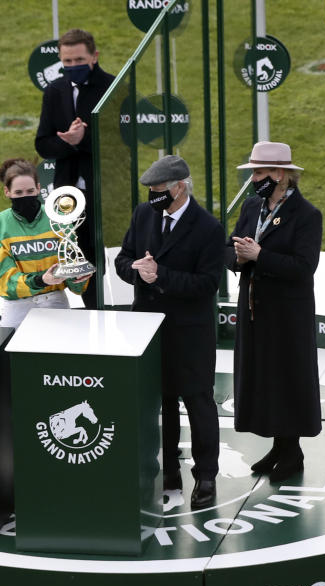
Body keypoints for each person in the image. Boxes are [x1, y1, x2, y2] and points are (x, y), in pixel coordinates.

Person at [114, 155, 224, 509]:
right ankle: (170, 469)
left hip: (189, 333)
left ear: (179, 187)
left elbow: (207, 284)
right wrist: (137, 271)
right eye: (150, 190)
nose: (153, 196)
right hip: (149, 327)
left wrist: (159, 275)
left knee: (198, 402)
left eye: (158, 190)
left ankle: (206, 476)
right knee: (161, 401)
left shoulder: (208, 227)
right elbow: (122, 259)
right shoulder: (143, 214)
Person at [225, 142, 322, 482]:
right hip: (254, 310)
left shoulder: (307, 215)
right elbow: (230, 247)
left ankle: (292, 451)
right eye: (253, 173)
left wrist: (259, 255)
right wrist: (237, 258)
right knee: (264, 378)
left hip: (287, 315)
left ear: (281, 175)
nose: (254, 179)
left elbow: (303, 267)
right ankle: (280, 447)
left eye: (260, 173)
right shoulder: (252, 207)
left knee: (287, 379)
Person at [35, 29, 114, 310]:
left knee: (99, 254)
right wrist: (68, 143)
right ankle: (87, 312)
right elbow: (43, 144)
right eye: (66, 62)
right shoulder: (54, 91)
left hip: (103, 190)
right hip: (67, 192)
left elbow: (120, 142)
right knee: (77, 257)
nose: (72, 67)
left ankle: (103, 309)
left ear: (94, 56)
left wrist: (84, 140)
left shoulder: (111, 87)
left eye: (78, 59)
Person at [0, 158, 91, 328]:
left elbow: (75, 282)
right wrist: (41, 280)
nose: (25, 196)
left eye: (30, 190)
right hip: (17, 306)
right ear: (7, 192)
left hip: (55, 301)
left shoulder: (59, 219)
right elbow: (6, 283)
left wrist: (78, 277)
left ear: (39, 188)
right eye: (18, 192)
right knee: (9, 353)